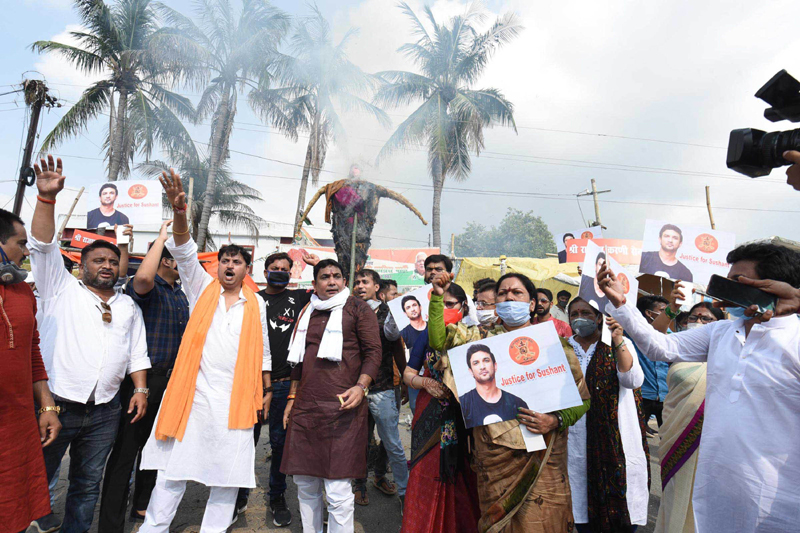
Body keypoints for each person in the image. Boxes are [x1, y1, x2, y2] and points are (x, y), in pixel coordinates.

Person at [598, 242, 800, 533]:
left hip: (779, 503)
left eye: (737, 282)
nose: (725, 289)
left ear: (774, 286)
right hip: (717, 491)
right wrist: (621, 303)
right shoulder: (721, 331)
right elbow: (660, 346)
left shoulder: (794, 338)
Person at [139, 169, 272, 532]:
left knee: (226, 480)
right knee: (171, 473)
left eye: (237, 262)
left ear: (247, 269)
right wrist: (180, 212)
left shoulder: (256, 304)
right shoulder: (200, 287)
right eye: (224, 261)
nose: (229, 266)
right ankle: (154, 528)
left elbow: (263, 352)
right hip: (192, 399)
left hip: (236, 401)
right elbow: (183, 249)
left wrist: (267, 388)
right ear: (217, 266)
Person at [29, 156, 150, 533]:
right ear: (81, 266)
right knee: (37, 484)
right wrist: (46, 199)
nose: (107, 266)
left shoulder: (128, 305)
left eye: (113, 262)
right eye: (98, 260)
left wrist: (142, 389)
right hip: (57, 405)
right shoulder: (59, 289)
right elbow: (44, 246)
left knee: (85, 487)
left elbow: (137, 353)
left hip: (104, 411)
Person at [429, 272, 591, 532]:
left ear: (531, 304)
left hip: (543, 454)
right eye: (503, 293)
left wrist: (554, 420)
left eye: (517, 293)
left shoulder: (553, 344)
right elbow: (438, 341)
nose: (509, 297)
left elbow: (582, 400)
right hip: (493, 457)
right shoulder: (479, 338)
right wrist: (437, 298)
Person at [98, 221, 190, 532]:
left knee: (156, 448)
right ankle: (111, 523)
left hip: (171, 382)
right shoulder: (148, 289)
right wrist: (162, 238)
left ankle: (142, 506)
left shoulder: (180, 293)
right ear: (166, 259)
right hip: (141, 382)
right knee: (126, 452)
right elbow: (143, 277)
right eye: (178, 257)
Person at [281, 259, 382, 533]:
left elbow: (374, 352)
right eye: (325, 277)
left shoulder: (358, 309)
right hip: (307, 406)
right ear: (314, 283)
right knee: (305, 485)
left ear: (344, 281)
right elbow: (299, 360)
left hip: (343, 409)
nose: (332, 281)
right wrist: (291, 399)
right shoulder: (307, 311)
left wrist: (361, 387)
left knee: (337, 491)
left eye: (337, 276)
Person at [236, 251, 317, 527]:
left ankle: (277, 496)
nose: (279, 271)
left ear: (292, 272)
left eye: (285, 268)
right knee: (246, 440)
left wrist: (317, 265)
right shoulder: (252, 300)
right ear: (265, 271)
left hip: (285, 385)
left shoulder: (301, 298)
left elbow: (332, 289)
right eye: (274, 268)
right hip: (252, 383)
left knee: (280, 445)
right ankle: (237, 496)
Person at [0, 208, 62, 533]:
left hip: (17, 424)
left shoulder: (24, 292)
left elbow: (32, 352)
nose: (25, 252)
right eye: (20, 243)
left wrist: (48, 406)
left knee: (14, 509)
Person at [401, 281, 481, 533]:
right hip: (430, 412)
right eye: (441, 305)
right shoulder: (427, 334)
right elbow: (408, 373)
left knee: (461, 470)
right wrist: (424, 382)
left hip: (461, 413)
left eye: (451, 304)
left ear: (464, 306)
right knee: (427, 469)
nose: (446, 309)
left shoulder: (476, 335)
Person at [565, 298, 649, 533]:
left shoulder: (618, 345)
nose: (579, 318)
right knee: (580, 508)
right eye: (574, 313)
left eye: (586, 313)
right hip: (575, 439)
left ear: (599, 317)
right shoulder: (562, 348)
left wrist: (618, 340)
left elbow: (632, 380)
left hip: (615, 440)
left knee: (621, 510)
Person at [655, 302, 723, 533]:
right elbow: (655, 336)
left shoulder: (727, 355)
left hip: (708, 439)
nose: (698, 323)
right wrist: (672, 307)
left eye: (706, 319)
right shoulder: (680, 349)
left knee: (701, 496)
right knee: (675, 491)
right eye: (693, 318)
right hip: (674, 432)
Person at [352, 269, 409, 506]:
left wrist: (405, 378)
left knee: (391, 442)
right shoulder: (348, 311)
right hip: (356, 389)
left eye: (365, 282)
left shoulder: (390, 313)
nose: (360, 286)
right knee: (359, 441)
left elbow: (397, 347)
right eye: (356, 282)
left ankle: (403, 492)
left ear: (377, 287)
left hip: (385, 387)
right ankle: (359, 485)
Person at [459, 344, 529, 427]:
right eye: (476, 363)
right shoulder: (463, 404)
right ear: (471, 371)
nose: (482, 367)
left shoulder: (517, 403)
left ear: (495, 366)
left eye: (486, 360)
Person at [634, 295, 670, 435]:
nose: (669, 315)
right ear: (649, 313)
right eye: (663, 311)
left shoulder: (671, 337)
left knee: (669, 440)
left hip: (665, 397)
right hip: (643, 395)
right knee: (636, 438)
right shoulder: (634, 334)